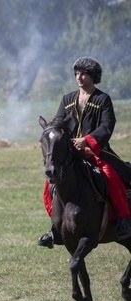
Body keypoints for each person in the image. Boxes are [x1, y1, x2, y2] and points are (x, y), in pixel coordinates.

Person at [38, 57, 131, 248]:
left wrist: (86, 140)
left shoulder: (102, 99)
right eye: (76, 74)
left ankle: (121, 222)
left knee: (111, 177)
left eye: (83, 74)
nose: (79, 77)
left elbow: (107, 125)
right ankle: (55, 228)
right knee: (52, 184)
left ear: (92, 76)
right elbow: (59, 122)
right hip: (71, 155)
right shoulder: (67, 99)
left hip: (97, 152)